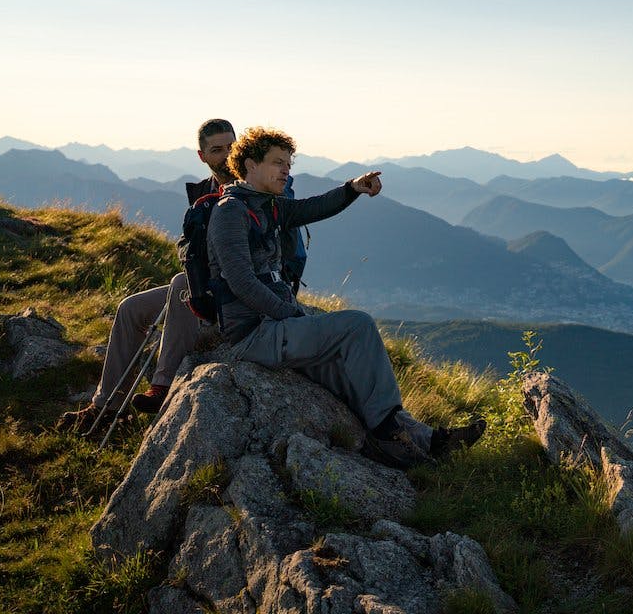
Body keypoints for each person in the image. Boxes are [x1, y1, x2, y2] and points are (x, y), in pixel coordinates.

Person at [207, 126, 484, 468]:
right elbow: (240, 282)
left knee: (349, 373)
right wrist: (290, 315)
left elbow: (314, 208)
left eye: (288, 164)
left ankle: (429, 440)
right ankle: (387, 434)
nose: (286, 171)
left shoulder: (269, 207)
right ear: (250, 164)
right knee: (357, 325)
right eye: (278, 163)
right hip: (255, 334)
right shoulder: (231, 211)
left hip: (275, 327)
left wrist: (352, 189)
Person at [59, 119, 237, 432]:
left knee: (181, 285)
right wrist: (190, 255)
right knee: (130, 308)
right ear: (202, 156)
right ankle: (107, 408)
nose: (225, 155)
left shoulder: (255, 187)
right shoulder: (203, 193)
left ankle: (162, 387)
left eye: (231, 147)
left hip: (234, 295)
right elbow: (189, 244)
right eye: (217, 149)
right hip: (204, 287)